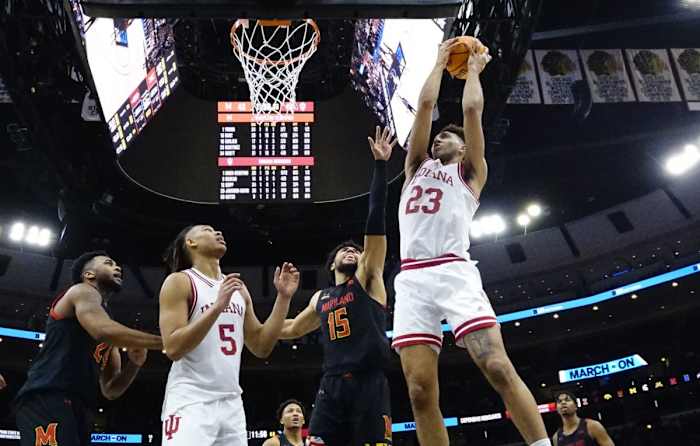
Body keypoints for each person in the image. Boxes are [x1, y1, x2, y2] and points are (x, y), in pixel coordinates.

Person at [391, 37, 551, 446]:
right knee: (419, 392)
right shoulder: (414, 167)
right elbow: (425, 107)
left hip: (453, 269)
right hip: (411, 279)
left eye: (449, 136)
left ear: (463, 148)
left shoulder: (470, 172)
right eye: (438, 136)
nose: (440, 137)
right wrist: (438, 62)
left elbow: (471, 109)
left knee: (496, 366)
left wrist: (474, 71)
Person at [279, 126, 396, 445]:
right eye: (344, 250)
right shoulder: (321, 296)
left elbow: (375, 217)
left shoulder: (369, 279)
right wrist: (245, 325)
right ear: (331, 265)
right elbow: (289, 329)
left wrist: (381, 166)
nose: (352, 250)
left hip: (369, 383)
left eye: (357, 250)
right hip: (331, 387)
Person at [158, 224, 300, 446]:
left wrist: (283, 298)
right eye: (207, 229)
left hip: (231, 402)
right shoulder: (180, 281)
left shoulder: (238, 288)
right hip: (191, 398)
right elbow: (173, 348)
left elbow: (261, 346)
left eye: (217, 230)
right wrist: (217, 307)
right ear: (190, 242)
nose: (218, 233)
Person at [14, 251, 163, 446]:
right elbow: (101, 330)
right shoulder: (82, 291)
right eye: (109, 263)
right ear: (89, 274)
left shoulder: (108, 322)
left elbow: (110, 389)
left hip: (81, 406)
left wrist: (134, 365)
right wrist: (166, 341)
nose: (117, 268)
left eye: (117, 265)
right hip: (48, 396)